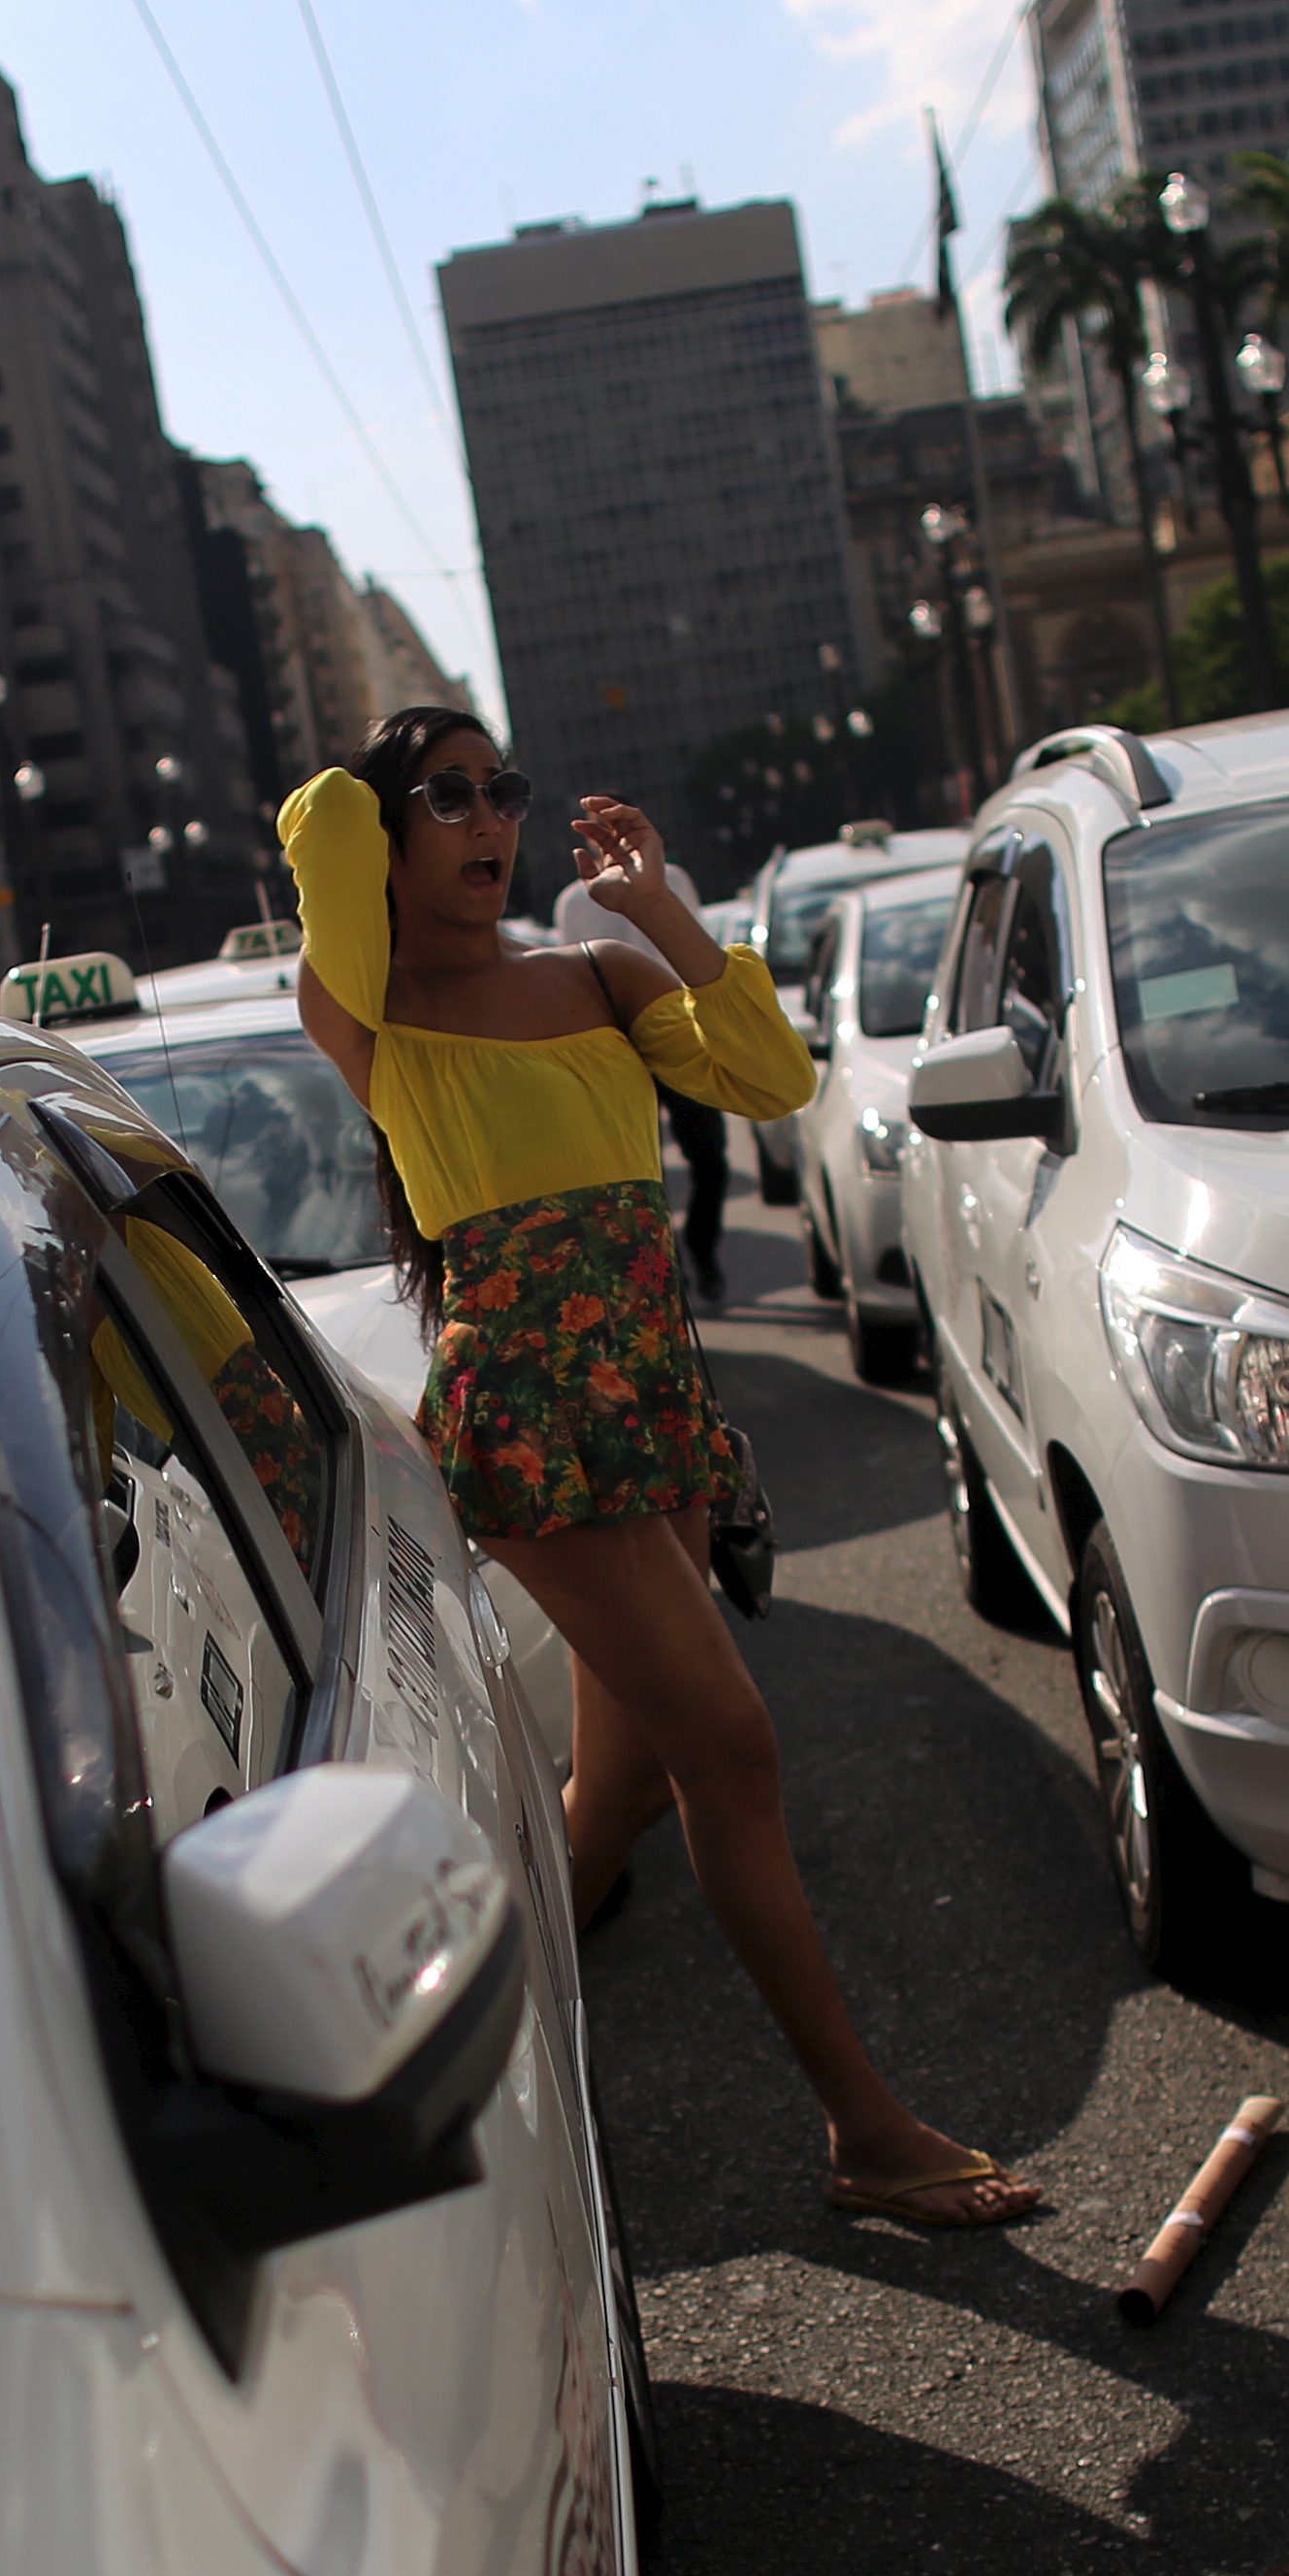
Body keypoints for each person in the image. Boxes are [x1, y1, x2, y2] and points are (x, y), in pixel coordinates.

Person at [289, 707, 1046, 2231]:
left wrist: (660, 914)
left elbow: (769, 1080)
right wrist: (384, 796)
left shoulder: (592, 970)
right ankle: (866, 2134)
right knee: (734, 1747)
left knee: (618, 1796)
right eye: (448, 796)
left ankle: (438, 2096)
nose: (492, 816)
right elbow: (315, 824)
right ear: (391, 830)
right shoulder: (373, 1006)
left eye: (506, 786)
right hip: (531, 1414)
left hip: (648, 1394)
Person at [554, 857, 728, 1300]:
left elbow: (698, 952)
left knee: (710, 1160)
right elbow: (573, 984)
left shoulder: (673, 879)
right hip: (618, 1052)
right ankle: (667, 1268)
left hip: (682, 1039)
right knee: (641, 1174)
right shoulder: (574, 902)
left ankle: (702, 1250)